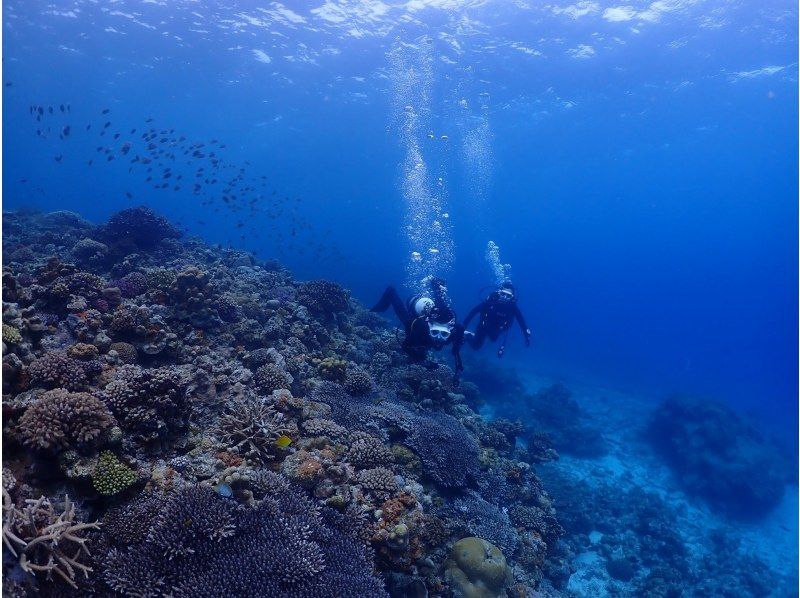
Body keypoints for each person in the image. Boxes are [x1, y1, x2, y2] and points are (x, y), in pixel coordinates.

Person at [371, 277, 465, 377]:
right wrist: (423, 362)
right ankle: (391, 292)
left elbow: (459, 333)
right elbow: (405, 346)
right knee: (403, 315)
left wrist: (457, 356)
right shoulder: (420, 329)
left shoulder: (455, 331)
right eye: (435, 332)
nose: (438, 338)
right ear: (429, 327)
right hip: (417, 324)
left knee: (441, 304)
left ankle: (436, 285)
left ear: (450, 330)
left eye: (444, 334)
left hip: (432, 318)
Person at [463, 280, 531, 358]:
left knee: (493, 339)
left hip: (497, 329)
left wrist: (526, 335)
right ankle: (468, 334)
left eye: (508, 296)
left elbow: (521, 320)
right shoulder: (491, 301)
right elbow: (473, 312)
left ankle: (475, 336)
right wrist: (463, 327)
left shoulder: (512, 307)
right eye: (503, 294)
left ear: (512, 297)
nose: (505, 297)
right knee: (476, 347)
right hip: (483, 327)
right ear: (499, 293)